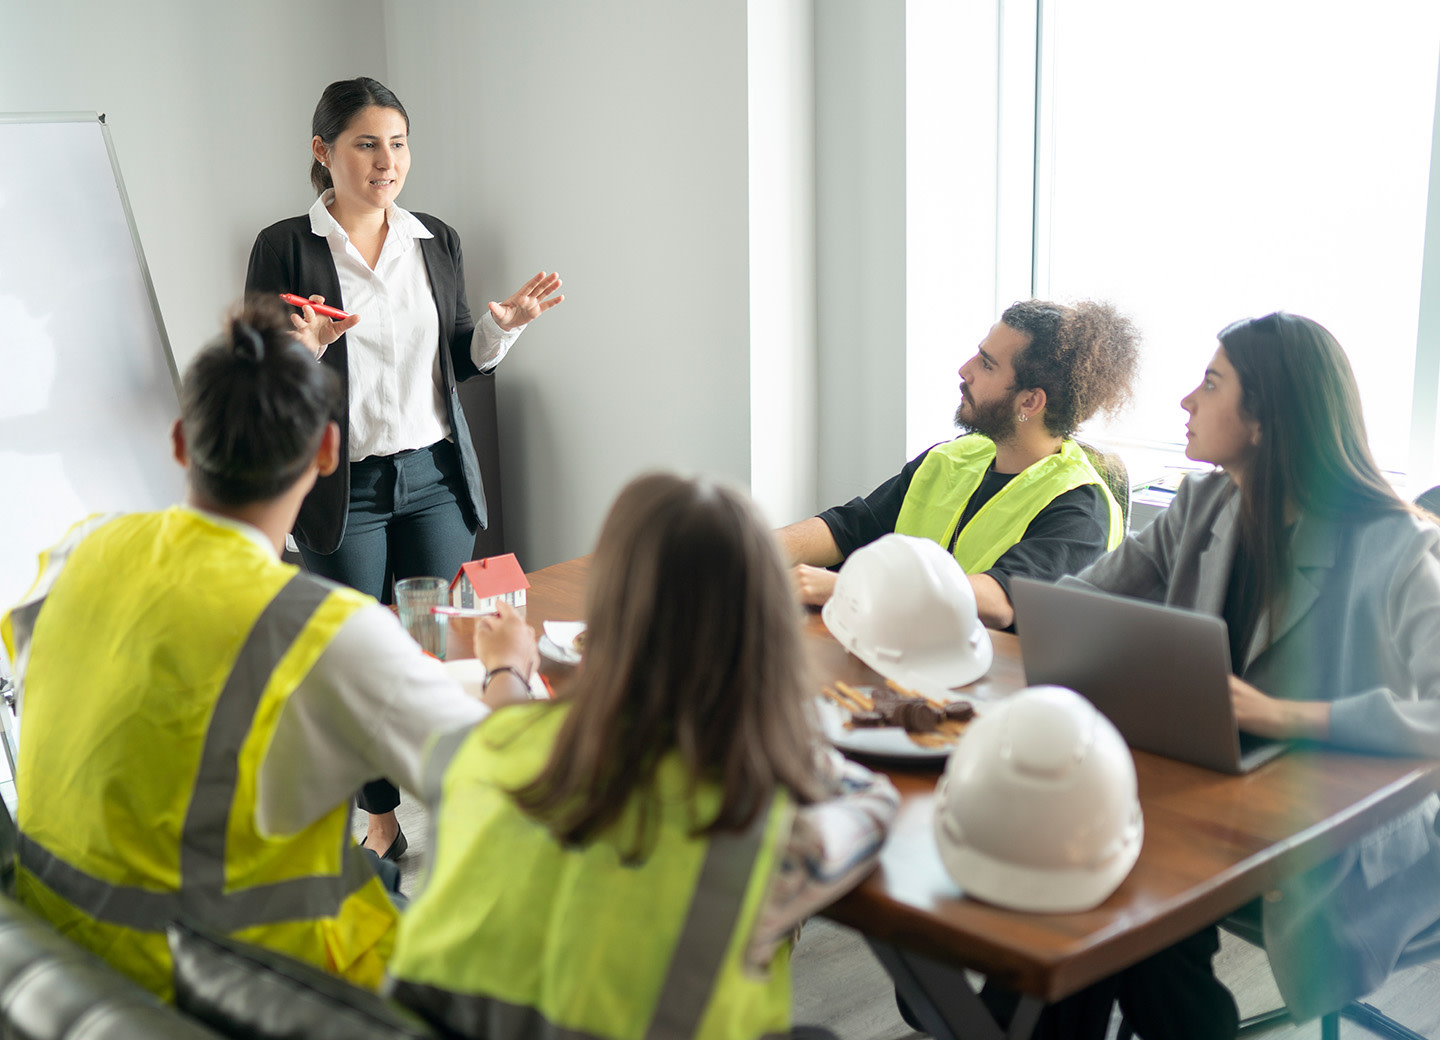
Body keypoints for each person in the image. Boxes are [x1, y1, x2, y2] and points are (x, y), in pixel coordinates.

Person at [0, 298, 517, 1000]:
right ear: (329, 452)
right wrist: (507, 666)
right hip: (243, 991)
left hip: (67, 967)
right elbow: (506, 784)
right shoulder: (321, 628)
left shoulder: (77, 550)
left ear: (182, 442)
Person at [1013, 312, 1440, 1038]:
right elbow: (1079, 603)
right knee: (1111, 887)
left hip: (1346, 836)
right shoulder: (1204, 504)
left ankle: (1006, 1013)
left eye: (1210, 383)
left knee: (1128, 899)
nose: (1186, 401)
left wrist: (1283, 716)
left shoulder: (1394, 545)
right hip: (1215, 800)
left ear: (1267, 418)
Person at [385, 473, 900, 1040]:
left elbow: (508, 722)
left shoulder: (474, 751)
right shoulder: (765, 824)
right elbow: (875, 807)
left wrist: (507, 668)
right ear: (764, 632)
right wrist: (781, 729)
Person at [245, 75, 563, 857]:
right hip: (340, 490)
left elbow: (458, 359)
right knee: (358, 662)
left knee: (442, 651)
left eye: (398, 143)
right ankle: (379, 813)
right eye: (366, 144)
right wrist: (302, 351)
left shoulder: (436, 240)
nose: (387, 161)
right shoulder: (285, 246)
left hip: (433, 479)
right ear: (323, 152)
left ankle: (462, 806)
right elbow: (258, 370)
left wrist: (502, 330)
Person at [778, 299, 1139, 629]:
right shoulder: (953, 457)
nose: (965, 370)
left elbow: (1000, 600)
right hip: (905, 652)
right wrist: (754, 548)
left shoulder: (1080, 507)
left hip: (994, 683)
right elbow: (850, 528)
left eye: (987, 364)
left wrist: (853, 587)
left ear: (1029, 402)